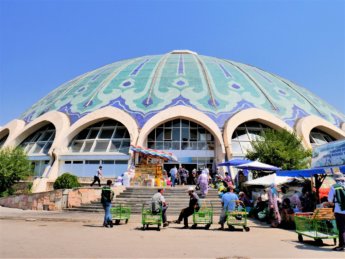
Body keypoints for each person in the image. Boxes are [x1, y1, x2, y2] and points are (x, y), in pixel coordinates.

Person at [327, 172, 345, 251]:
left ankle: (341, 245)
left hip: (339, 211)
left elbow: (330, 200)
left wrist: (334, 203)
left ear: (335, 179)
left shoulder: (334, 187)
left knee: (341, 229)